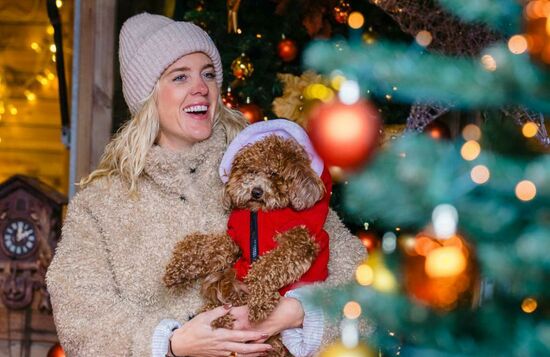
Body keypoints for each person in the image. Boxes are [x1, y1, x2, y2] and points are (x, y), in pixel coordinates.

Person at [46, 12, 365, 357]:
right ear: (148, 97)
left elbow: (361, 286)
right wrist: (171, 343)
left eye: (208, 74)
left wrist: (293, 313)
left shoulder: (265, 171)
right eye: (180, 77)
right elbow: (81, 316)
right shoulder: (102, 203)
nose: (201, 87)